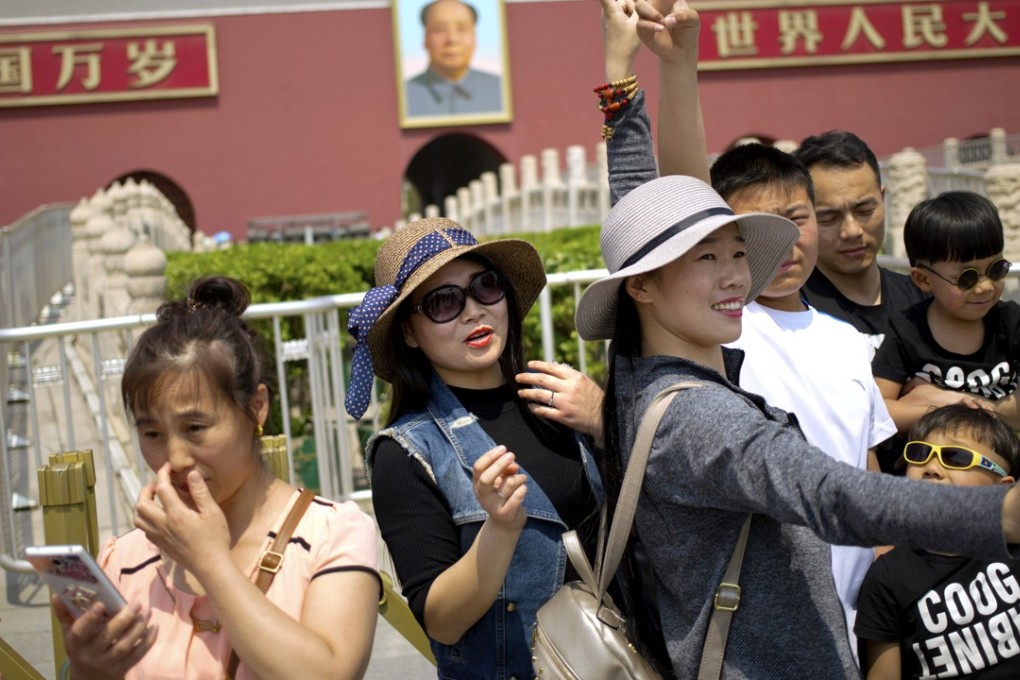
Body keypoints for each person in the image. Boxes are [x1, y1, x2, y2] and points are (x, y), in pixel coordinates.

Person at [576, 172, 1020, 679]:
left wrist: (625, 114)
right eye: (706, 257)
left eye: (739, 253)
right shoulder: (700, 416)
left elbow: (639, 203)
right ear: (640, 286)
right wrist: (998, 513)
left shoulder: (635, 380)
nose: (735, 277)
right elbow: (827, 491)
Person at [596, 0, 895, 652]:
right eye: (717, 247)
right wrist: (662, 69)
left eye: (794, 219)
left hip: (852, 628)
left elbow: (868, 472)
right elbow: (661, 205)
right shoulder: (727, 324)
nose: (741, 263)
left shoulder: (845, 338)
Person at [54, 276, 380, 680]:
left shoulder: (333, 534)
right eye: (152, 434)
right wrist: (88, 670)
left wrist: (209, 560)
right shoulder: (123, 560)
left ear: (257, 408)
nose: (173, 459)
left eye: (195, 428)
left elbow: (330, 674)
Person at [344, 217, 603, 679]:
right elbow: (441, 622)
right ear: (408, 332)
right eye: (444, 302)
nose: (473, 312)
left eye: (485, 287)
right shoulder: (404, 452)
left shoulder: (567, 399)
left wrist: (607, 424)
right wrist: (499, 531)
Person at [855, 404, 1020, 679]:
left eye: (955, 457)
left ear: (1003, 488)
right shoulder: (888, 577)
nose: (931, 467)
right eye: (919, 453)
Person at [872, 191, 1020, 436]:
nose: (985, 286)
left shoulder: (1012, 322)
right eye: (967, 277)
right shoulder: (906, 331)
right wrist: (942, 405)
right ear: (923, 279)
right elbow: (878, 412)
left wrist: (967, 407)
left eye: (996, 269)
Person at [793, 130, 927, 356]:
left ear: (883, 200)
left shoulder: (927, 300)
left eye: (865, 211)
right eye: (829, 218)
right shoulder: (792, 314)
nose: (851, 231)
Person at [404, 0, 504, 117]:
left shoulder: (501, 91)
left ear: (475, 37)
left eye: (462, 29)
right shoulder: (404, 96)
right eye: (439, 30)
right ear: (425, 39)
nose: (452, 39)